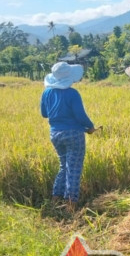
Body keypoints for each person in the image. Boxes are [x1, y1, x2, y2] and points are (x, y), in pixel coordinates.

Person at [40, 62, 101, 213]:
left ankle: (56, 199)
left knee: (63, 166)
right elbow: (80, 116)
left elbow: (44, 114)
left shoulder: (46, 93)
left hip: (55, 134)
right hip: (73, 135)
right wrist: (90, 127)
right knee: (74, 169)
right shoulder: (72, 94)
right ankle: (71, 205)